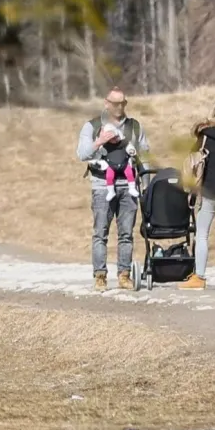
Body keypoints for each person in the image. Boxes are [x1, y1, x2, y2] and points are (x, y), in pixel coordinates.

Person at [77, 87, 150, 291]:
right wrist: (100, 141)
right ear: (106, 103)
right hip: (102, 186)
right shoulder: (92, 126)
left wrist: (146, 185)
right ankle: (100, 276)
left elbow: (144, 155)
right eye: (115, 103)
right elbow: (82, 154)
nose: (119, 107)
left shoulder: (135, 127)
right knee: (100, 232)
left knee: (126, 233)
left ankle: (124, 275)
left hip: (128, 186)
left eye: (123, 103)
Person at [182, 101, 215, 291]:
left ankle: (200, 277)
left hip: (210, 188)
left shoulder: (204, 135)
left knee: (202, 233)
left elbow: (191, 157)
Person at [90, 124, 140, 202]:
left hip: (124, 163)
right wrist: (96, 161)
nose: (114, 140)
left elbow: (130, 148)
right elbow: (98, 154)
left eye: (115, 137)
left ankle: (132, 188)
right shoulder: (104, 146)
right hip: (111, 165)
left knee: (130, 173)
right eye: (111, 139)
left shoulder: (124, 143)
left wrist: (131, 151)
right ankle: (111, 191)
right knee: (109, 176)